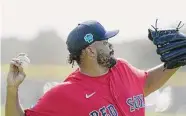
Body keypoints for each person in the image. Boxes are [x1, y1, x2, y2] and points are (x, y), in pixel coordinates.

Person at [5, 20, 179, 116]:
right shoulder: (64, 94)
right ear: (90, 50)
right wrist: (12, 90)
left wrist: (175, 62)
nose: (110, 45)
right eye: (104, 42)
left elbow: (146, 84)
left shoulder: (122, 68)